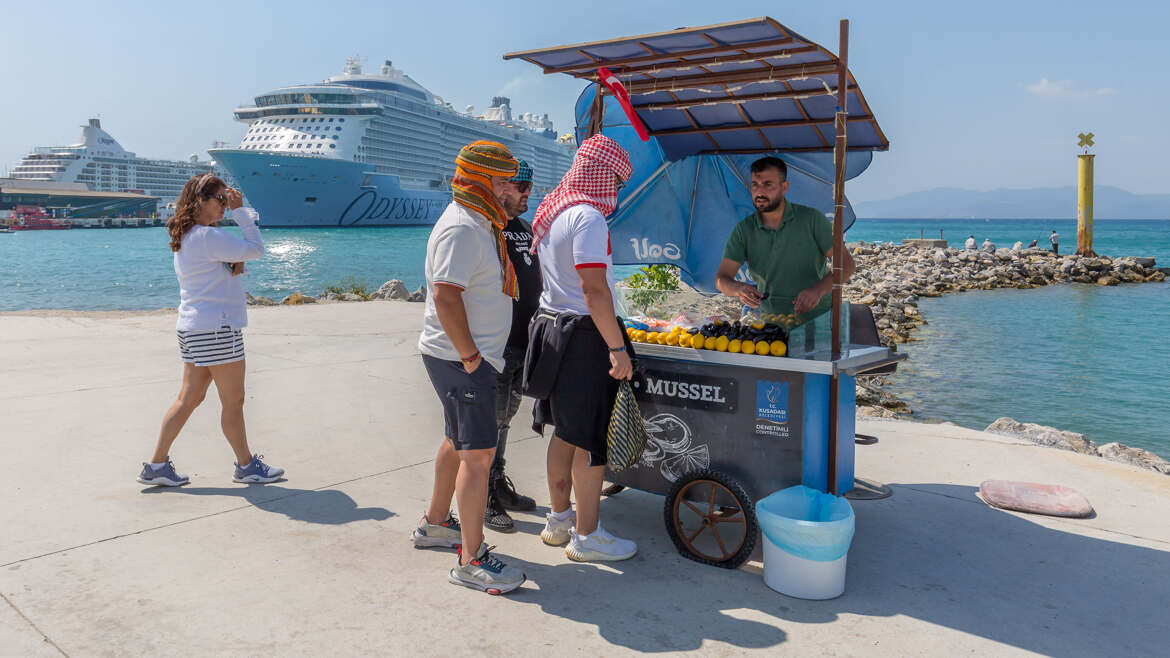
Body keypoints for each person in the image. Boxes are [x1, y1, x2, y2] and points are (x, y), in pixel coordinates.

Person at [412, 141, 526, 595]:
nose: (507, 190)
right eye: (500, 182)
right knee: (478, 459)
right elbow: (444, 294)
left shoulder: (481, 222)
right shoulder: (463, 226)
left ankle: (437, 524)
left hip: (464, 358)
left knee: (457, 444)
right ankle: (471, 560)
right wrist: (473, 358)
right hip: (463, 359)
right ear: (478, 179)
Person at [527, 134, 637, 562]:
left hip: (553, 331)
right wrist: (618, 348)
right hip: (584, 338)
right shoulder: (588, 218)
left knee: (563, 432)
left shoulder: (554, 212)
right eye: (617, 181)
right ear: (604, 175)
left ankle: (558, 521)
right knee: (591, 440)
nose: (617, 191)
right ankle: (588, 536)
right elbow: (593, 290)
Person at [138, 174, 284, 487]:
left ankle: (157, 465)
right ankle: (247, 466)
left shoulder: (189, 235)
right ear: (200, 201)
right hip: (218, 329)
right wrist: (241, 212)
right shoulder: (207, 237)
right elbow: (256, 248)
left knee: (188, 398)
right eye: (219, 199)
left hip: (193, 327)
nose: (224, 204)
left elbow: (225, 262)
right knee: (234, 401)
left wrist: (235, 261)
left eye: (226, 198)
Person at [715, 156, 856, 326]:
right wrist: (739, 289)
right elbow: (722, 279)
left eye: (768, 184)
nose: (760, 192)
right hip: (772, 324)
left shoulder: (812, 220)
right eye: (755, 185)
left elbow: (846, 265)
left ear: (784, 187)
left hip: (818, 323)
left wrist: (817, 291)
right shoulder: (744, 230)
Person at [485, 160, 540, 532]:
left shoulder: (522, 228)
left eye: (529, 188)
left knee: (506, 419)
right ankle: (485, 493)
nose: (526, 195)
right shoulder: (488, 229)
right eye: (521, 186)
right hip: (499, 343)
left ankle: (498, 483)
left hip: (524, 342)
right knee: (490, 422)